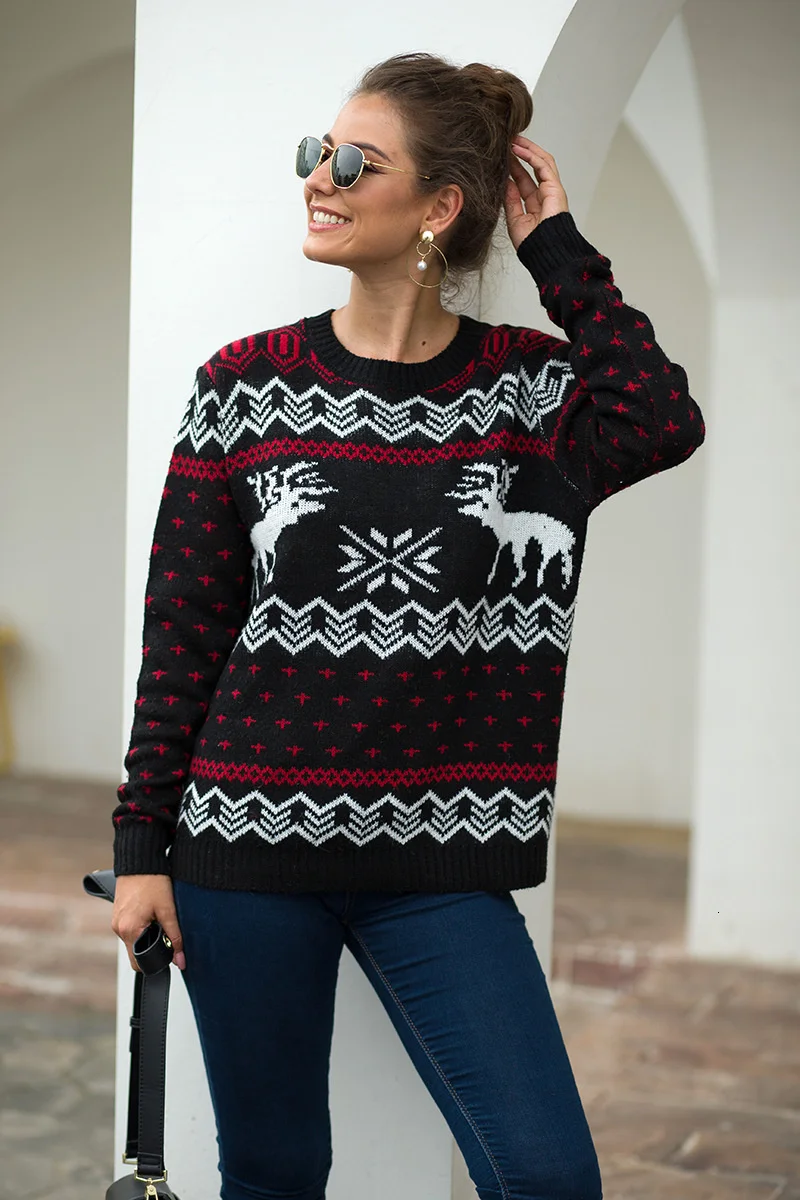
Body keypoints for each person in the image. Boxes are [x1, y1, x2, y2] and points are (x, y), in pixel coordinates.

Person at [110, 50, 705, 1200]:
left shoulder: (532, 395)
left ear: (437, 207)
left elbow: (659, 418)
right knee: (275, 1173)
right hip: (245, 851)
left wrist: (556, 252)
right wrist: (143, 848)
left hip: (440, 863)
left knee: (545, 1177)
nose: (316, 178)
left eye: (353, 163)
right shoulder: (244, 387)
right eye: (315, 153)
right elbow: (183, 627)